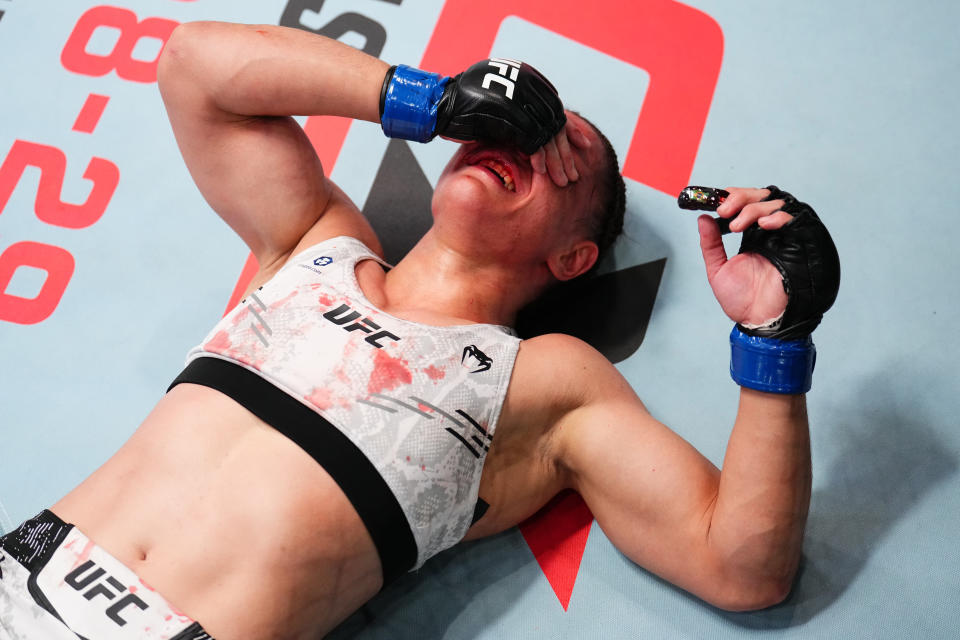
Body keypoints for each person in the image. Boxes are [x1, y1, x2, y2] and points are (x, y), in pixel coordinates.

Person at [0, 21, 839, 640]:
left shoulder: (546, 383)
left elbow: (742, 566)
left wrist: (777, 334)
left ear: (576, 256)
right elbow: (190, 68)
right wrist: (428, 98)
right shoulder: (315, 247)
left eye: (563, 151)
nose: (527, 139)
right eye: (517, 123)